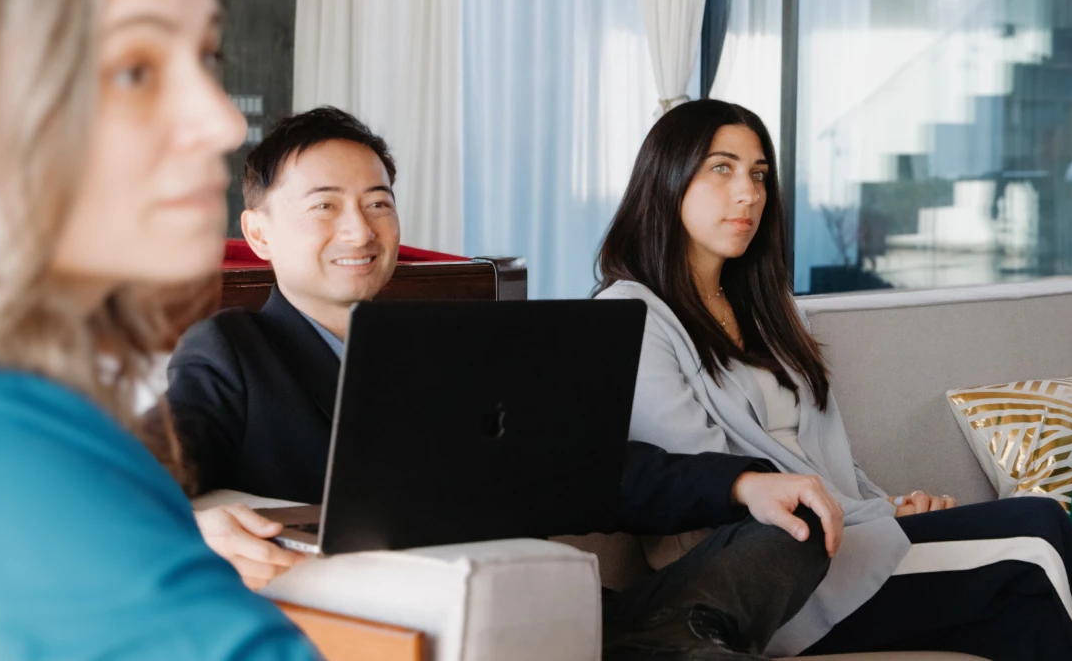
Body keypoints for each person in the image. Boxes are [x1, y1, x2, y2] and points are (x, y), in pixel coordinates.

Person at [167, 107, 842, 659]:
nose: (359, 228)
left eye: (378, 202)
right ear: (257, 233)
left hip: (547, 612)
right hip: (393, 623)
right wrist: (193, 520)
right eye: (325, 206)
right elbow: (156, 457)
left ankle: (670, 640)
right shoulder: (233, 350)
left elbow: (585, 468)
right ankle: (677, 644)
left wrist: (742, 482)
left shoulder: (448, 343)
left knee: (793, 527)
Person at [594, 98, 1072, 661]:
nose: (749, 193)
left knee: (1028, 619)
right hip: (767, 576)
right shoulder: (633, 314)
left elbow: (830, 461)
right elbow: (706, 477)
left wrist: (891, 504)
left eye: (759, 174)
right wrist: (873, 516)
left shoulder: (770, 310)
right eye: (722, 168)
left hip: (852, 536)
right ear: (666, 178)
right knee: (1038, 526)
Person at [0, 0, 320, 658]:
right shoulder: (22, 458)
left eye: (206, 57)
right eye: (136, 69)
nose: (224, 120)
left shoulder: (72, 438)